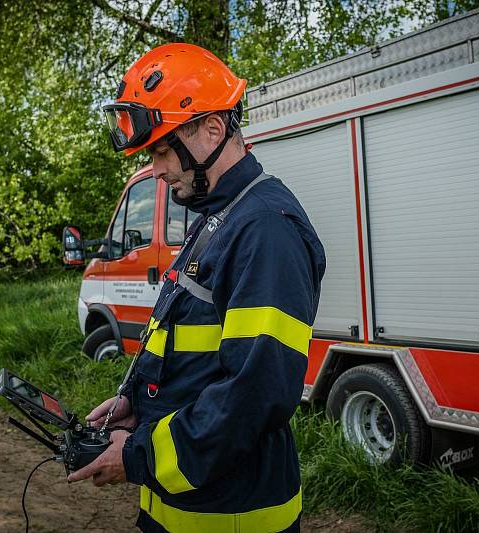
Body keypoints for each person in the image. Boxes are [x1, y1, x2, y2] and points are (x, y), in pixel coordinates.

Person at [67, 43, 326, 533]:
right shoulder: (219, 219)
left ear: (212, 129)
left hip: (233, 514)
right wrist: (134, 406)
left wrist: (139, 455)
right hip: (190, 507)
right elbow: (189, 356)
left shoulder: (265, 228)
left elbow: (255, 394)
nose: (157, 171)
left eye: (163, 151)